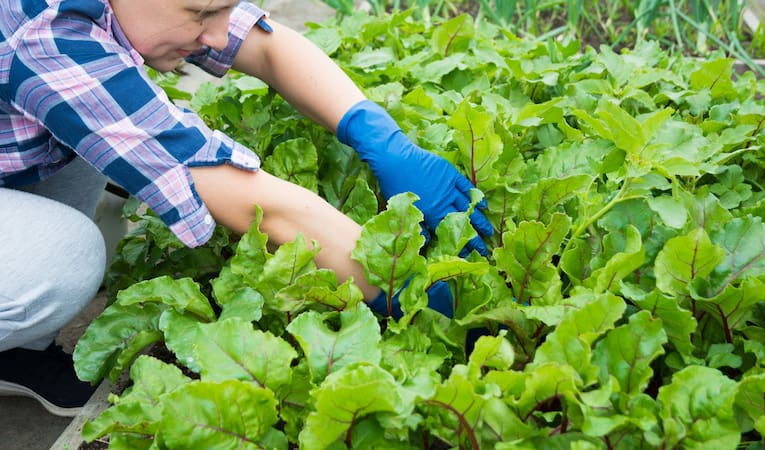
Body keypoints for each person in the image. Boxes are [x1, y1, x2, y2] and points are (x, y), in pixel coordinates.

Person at [0, 0, 493, 416]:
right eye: (201, 13)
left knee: (89, 130)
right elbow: (257, 205)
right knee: (67, 257)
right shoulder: (45, 36)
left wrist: (380, 136)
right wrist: (403, 283)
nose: (217, 34)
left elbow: (265, 43)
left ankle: (16, 353)